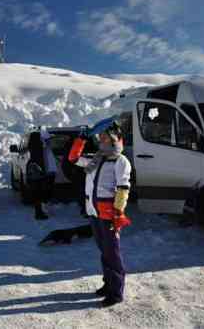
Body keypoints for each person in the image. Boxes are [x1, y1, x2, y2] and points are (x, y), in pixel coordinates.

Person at [68, 121, 132, 307]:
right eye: (100, 137)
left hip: (109, 214)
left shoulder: (120, 161)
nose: (101, 139)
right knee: (104, 251)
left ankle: (116, 292)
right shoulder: (97, 159)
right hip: (94, 212)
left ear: (115, 139)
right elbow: (73, 159)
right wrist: (81, 139)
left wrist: (118, 213)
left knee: (113, 254)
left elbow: (123, 188)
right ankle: (108, 283)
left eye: (105, 137)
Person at [27, 131, 55, 220]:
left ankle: (39, 212)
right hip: (40, 173)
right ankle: (39, 213)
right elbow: (41, 161)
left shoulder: (35, 147)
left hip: (37, 173)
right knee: (40, 193)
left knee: (38, 194)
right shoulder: (38, 148)